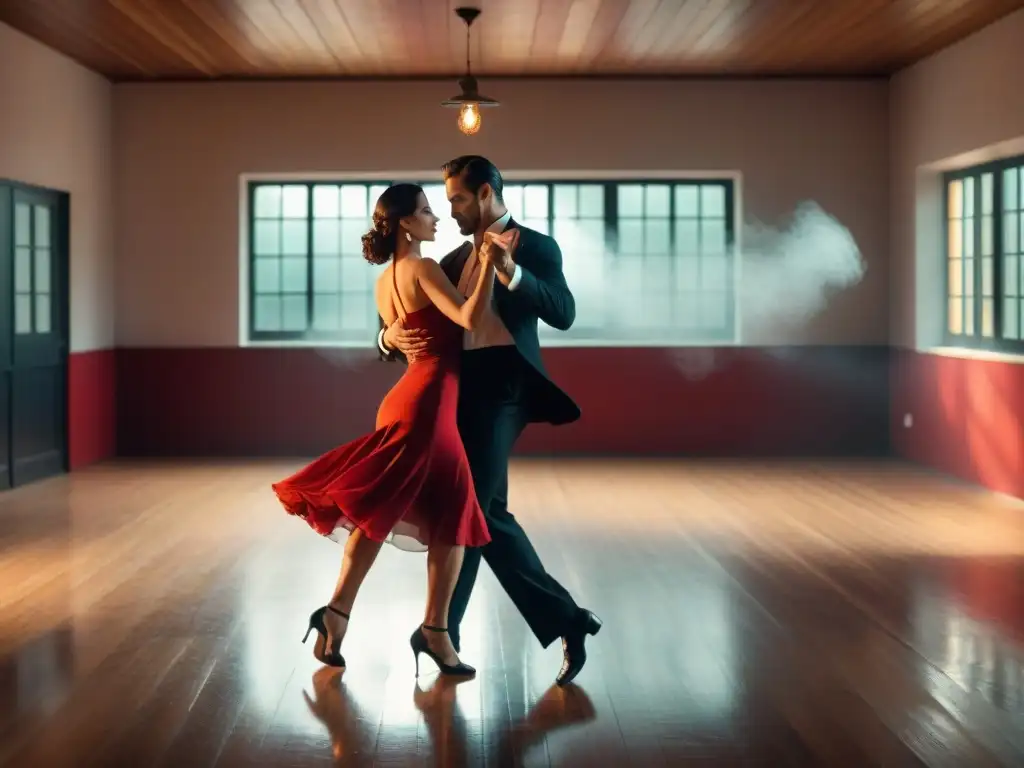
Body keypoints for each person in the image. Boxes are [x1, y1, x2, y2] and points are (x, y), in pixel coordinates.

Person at [377, 156, 602, 686]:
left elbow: (564, 312)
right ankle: (465, 628)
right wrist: (387, 339)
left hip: (506, 387)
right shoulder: (450, 258)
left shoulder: (536, 245)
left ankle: (446, 629)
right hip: (452, 388)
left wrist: (513, 274)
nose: (448, 210)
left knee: (475, 506)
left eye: (454, 199)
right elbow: (394, 323)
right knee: (476, 511)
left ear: (483, 194)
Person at [272, 182, 506, 678]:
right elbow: (467, 318)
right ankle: (436, 633)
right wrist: (487, 261)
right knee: (454, 516)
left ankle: (337, 616)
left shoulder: (386, 280)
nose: (436, 219)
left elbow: (400, 343)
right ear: (404, 223)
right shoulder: (422, 267)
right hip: (427, 404)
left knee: (383, 511)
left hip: (409, 398)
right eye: (426, 212)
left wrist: (388, 334)